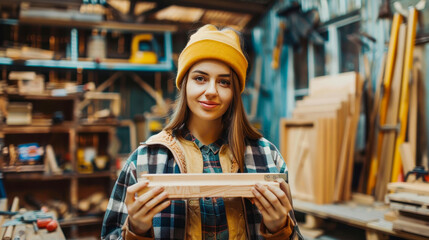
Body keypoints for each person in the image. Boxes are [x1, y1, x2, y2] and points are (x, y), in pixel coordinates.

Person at [101, 24, 303, 240]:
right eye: (200, 78)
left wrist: (279, 228)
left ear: (235, 91)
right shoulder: (145, 160)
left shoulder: (267, 157)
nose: (211, 91)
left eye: (224, 82)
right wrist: (136, 230)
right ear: (184, 83)